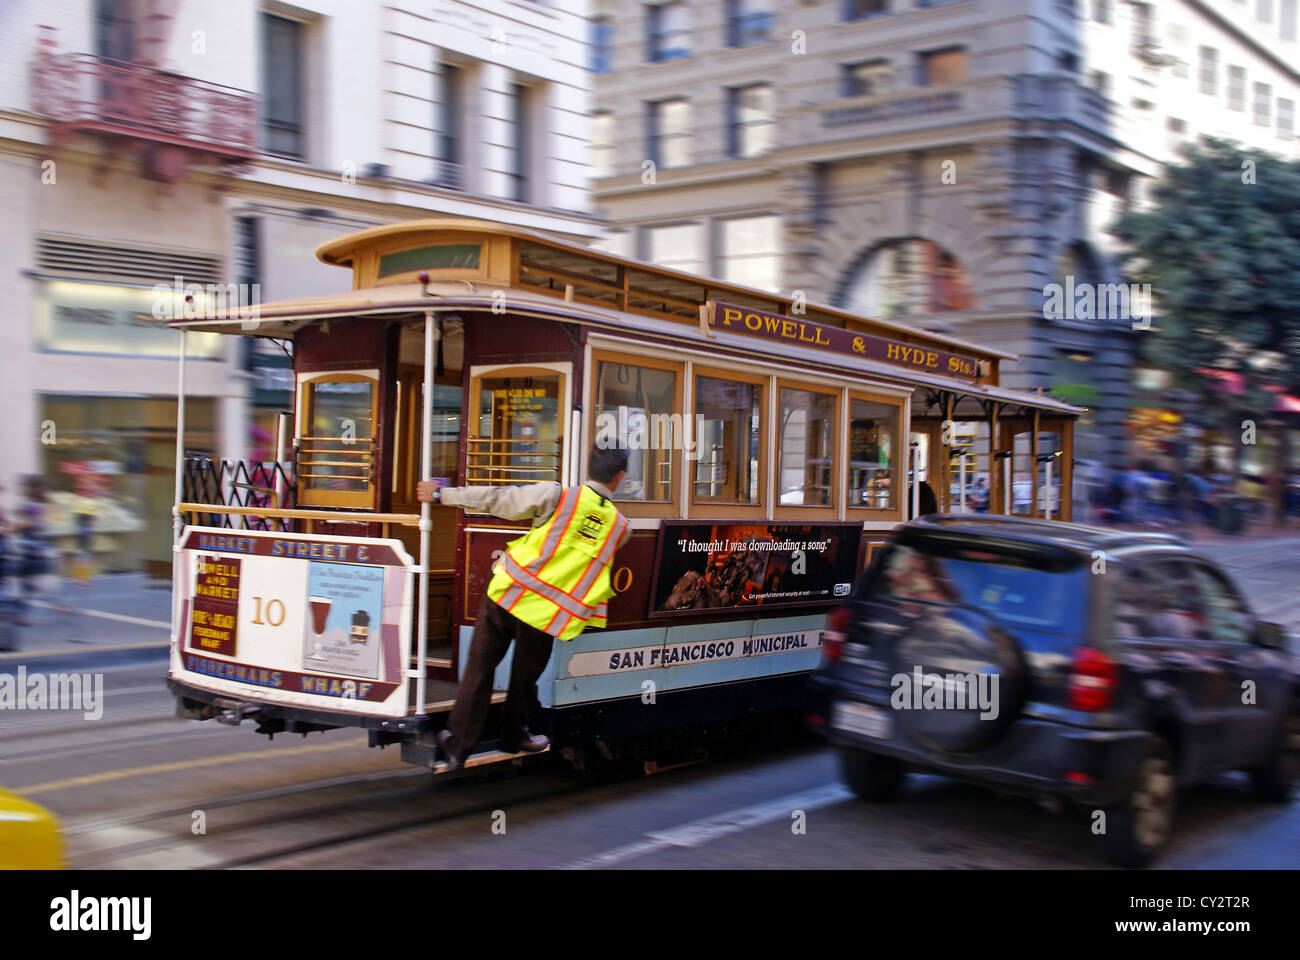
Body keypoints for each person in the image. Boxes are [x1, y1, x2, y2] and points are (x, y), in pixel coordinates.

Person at [416, 445, 632, 767]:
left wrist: (440, 495)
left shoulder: (557, 496)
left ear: (588, 469)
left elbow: (496, 500)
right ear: (620, 477)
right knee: (524, 678)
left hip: (508, 595)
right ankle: (514, 735)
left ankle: (458, 747)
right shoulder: (620, 529)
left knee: (479, 668)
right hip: (547, 615)